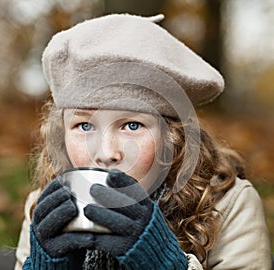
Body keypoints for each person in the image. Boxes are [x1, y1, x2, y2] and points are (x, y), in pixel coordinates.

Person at [14, 14, 272, 270]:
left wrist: (163, 261)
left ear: (172, 137)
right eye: (84, 125)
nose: (106, 153)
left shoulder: (229, 205)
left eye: (132, 126)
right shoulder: (46, 206)